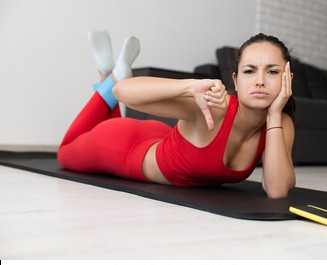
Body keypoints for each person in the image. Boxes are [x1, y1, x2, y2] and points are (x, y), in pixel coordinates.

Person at [57, 31, 296, 198]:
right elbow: (123, 92)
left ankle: (105, 72)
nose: (260, 81)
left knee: (105, 115)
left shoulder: (280, 123)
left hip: (163, 139)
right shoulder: (213, 105)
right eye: (249, 71)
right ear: (236, 79)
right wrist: (189, 87)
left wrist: (275, 115)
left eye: (273, 72)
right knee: (65, 152)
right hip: (124, 149)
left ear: (288, 79)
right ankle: (111, 77)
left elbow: (277, 190)